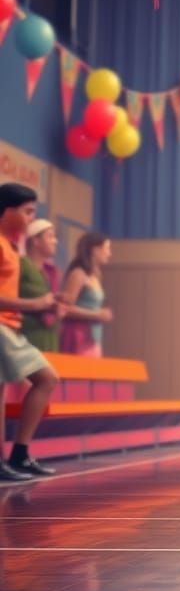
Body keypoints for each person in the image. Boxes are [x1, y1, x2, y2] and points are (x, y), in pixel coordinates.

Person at [0, 184, 61, 480]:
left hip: (10, 327)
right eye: (27, 212)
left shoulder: (9, 246)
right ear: (8, 211)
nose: (30, 218)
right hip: (1, 326)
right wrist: (33, 303)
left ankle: (19, 455)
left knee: (46, 378)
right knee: (44, 378)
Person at [59, 232, 113, 358]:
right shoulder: (78, 274)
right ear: (95, 250)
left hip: (93, 335)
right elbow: (65, 309)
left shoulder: (95, 276)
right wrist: (97, 314)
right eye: (107, 249)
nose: (109, 254)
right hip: (78, 334)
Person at [19, 218, 62, 353]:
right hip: (26, 337)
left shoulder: (51, 272)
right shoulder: (21, 265)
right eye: (50, 236)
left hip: (49, 337)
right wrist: (37, 304)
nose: (55, 241)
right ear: (36, 241)